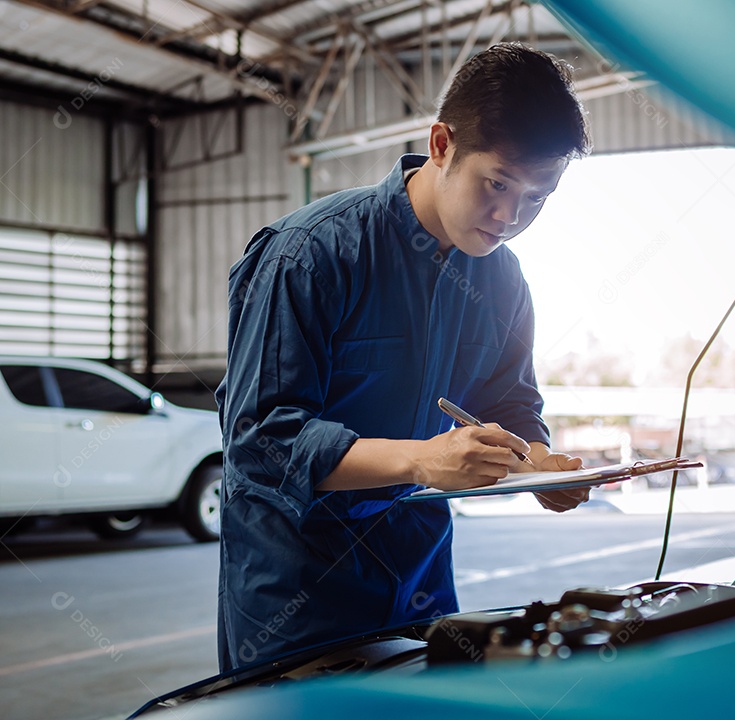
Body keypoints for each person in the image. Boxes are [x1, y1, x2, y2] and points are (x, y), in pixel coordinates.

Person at [215, 42, 593, 672]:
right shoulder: (309, 255)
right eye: (497, 184)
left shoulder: (502, 280)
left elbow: (510, 401)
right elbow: (260, 441)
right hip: (297, 596)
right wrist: (421, 460)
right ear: (442, 144)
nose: (510, 216)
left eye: (537, 198)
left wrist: (538, 462)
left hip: (420, 581)